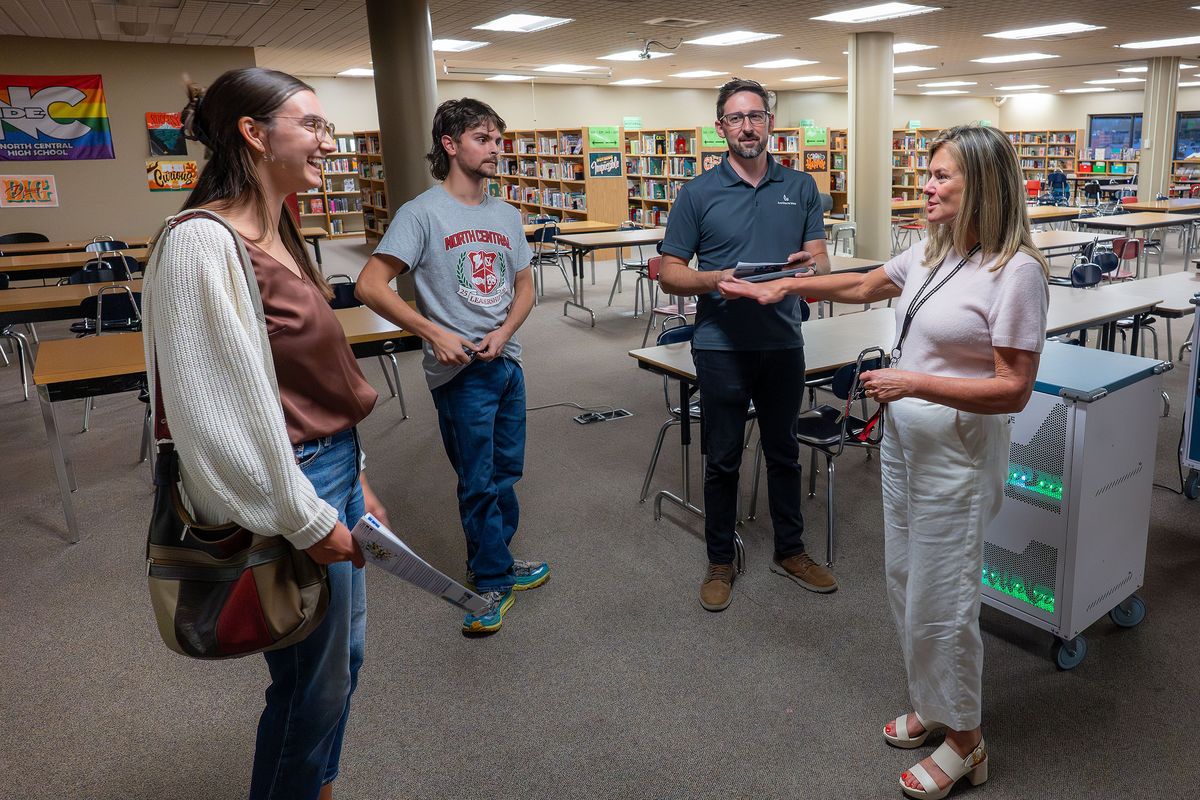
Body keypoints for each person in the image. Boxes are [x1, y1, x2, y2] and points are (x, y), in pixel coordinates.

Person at [720, 124, 1049, 799]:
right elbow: (868, 284)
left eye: (940, 177)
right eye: (926, 174)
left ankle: (968, 742)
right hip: (906, 443)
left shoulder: (1015, 272)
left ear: (981, 184)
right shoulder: (929, 251)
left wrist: (913, 381)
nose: (924, 186)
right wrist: (791, 287)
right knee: (905, 580)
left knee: (945, 598)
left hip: (956, 450)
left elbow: (1013, 387)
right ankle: (937, 705)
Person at [142, 67, 386, 800]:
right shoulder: (199, 244)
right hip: (288, 487)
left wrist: (361, 475)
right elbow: (209, 423)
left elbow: (316, 380)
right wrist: (307, 519)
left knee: (343, 657)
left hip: (330, 468)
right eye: (311, 124)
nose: (327, 141)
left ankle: (315, 785)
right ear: (253, 134)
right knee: (311, 680)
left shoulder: (282, 229)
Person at [356, 98, 547, 636]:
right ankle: (488, 580)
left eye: (497, 138)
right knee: (478, 479)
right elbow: (370, 284)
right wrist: (434, 331)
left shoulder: (506, 213)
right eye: (483, 138)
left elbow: (526, 285)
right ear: (451, 145)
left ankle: (498, 561)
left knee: (506, 472)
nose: (495, 148)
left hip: (506, 362)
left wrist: (505, 333)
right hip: (461, 373)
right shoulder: (421, 213)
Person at [658, 77, 837, 612]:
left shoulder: (801, 186)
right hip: (720, 345)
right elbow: (669, 273)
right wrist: (717, 279)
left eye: (755, 116)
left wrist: (809, 268)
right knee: (724, 458)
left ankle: (791, 550)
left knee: (784, 451)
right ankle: (719, 560)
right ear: (721, 129)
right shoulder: (697, 194)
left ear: (770, 122)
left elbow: (821, 261)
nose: (747, 127)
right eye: (735, 119)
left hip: (784, 340)